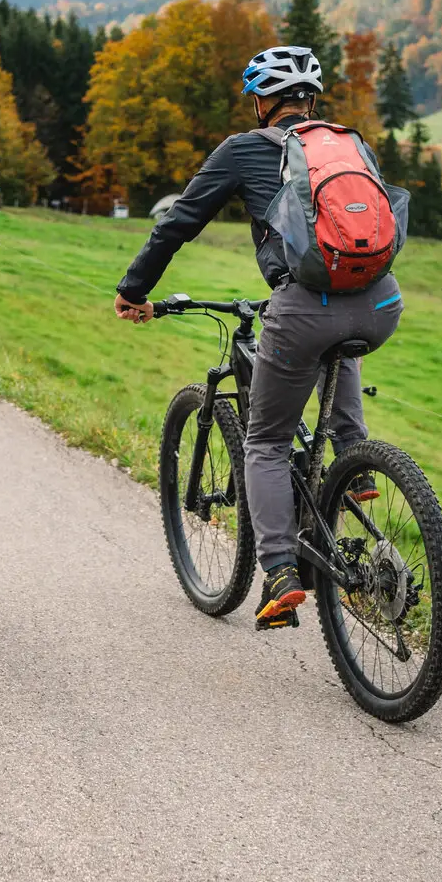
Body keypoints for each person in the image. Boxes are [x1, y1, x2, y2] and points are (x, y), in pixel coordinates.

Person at [113, 45, 403, 630]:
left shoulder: (244, 149)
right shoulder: (350, 145)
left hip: (303, 310)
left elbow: (178, 224)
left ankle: (279, 573)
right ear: (312, 100)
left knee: (266, 442)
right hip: (380, 303)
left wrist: (134, 288)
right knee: (335, 342)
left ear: (263, 101)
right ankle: (356, 464)